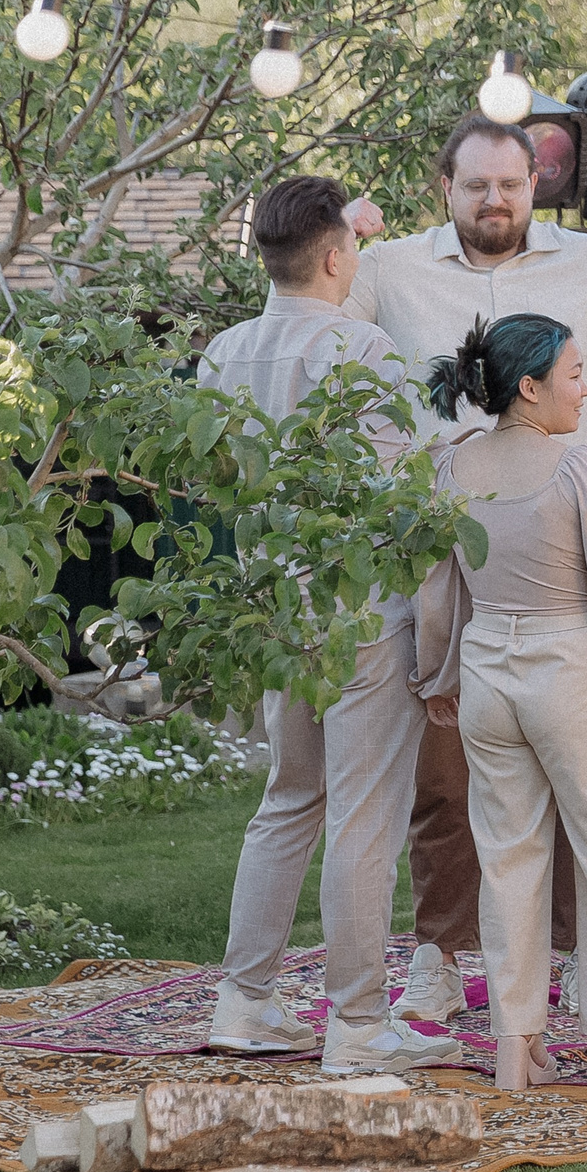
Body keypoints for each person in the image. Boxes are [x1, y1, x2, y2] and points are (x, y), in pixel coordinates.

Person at [342, 116, 587, 1028]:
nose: (496, 200)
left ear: (535, 185)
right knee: (447, 775)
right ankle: (438, 958)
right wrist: (340, 237)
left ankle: (569, 960)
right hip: (440, 543)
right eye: (477, 184)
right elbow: (302, 319)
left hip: (559, 548)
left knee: (578, 775)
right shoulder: (391, 267)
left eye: (512, 184)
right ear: (445, 186)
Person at [199, 176, 462, 1076]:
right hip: (362, 613)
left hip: (275, 610)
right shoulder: (365, 348)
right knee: (363, 819)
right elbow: (410, 500)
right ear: (338, 258)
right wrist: (437, 639)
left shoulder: (223, 354)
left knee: (287, 799)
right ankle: (357, 1023)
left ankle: (245, 1001)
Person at [411, 313, 587, 1096]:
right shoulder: (579, 470)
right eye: (574, 373)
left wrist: (439, 677)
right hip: (569, 671)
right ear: (530, 388)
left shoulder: (451, 467)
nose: (584, 387)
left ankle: (516, 1047)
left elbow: (437, 590)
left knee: (508, 861)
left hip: (487, 674)